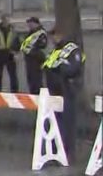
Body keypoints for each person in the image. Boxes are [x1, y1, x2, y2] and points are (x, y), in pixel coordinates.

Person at [44, 29, 84, 163]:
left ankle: (68, 153)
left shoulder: (72, 49)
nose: (52, 40)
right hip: (55, 93)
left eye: (54, 37)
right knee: (57, 123)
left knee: (68, 123)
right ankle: (57, 151)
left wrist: (60, 70)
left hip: (68, 92)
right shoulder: (56, 52)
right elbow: (48, 68)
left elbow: (72, 68)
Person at [20, 17, 49, 95]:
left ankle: (39, 97)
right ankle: (33, 97)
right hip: (29, 60)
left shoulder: (41, 33)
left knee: (37, 81)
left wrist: (30, 51)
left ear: (36, 23)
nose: (29, 25)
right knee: (31, 80)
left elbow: (42, 46)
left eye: (31, 23)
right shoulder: (30, 33)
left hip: (36, 60)